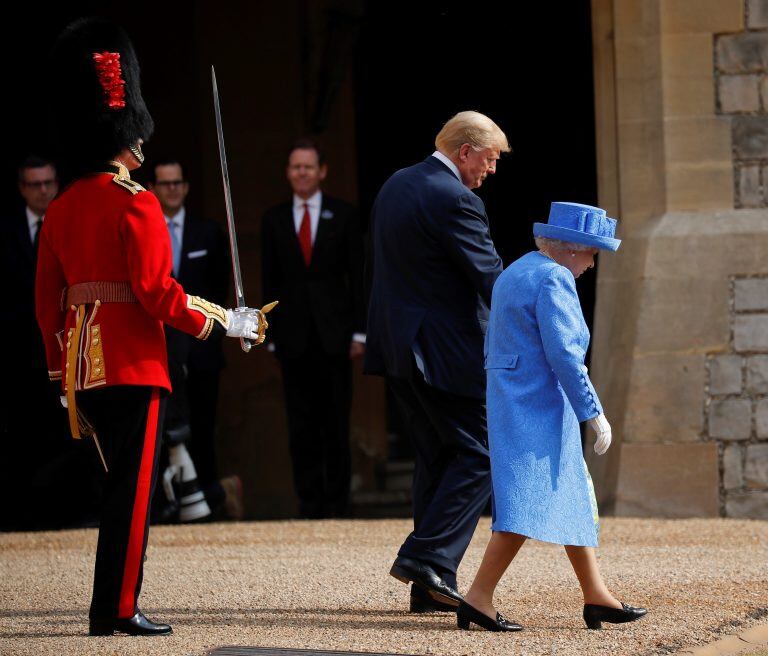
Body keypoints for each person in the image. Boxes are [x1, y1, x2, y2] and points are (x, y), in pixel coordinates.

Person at [36, 18, 267, 637]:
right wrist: (222, 323)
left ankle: (105, 605)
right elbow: (155, 293)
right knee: (133, 498)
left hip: (84, 370)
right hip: (135, 367)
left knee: (114, 492)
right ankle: (115, 609)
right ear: (126, 134)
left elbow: (46, 302)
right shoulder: (135, 202)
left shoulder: (59, 209)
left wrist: (61, 373)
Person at [457, 202, 647, 632]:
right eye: (591, 253)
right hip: (537, 404)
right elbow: (564, 354)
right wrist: (593, 411)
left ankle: (596, 595)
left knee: (573, 494)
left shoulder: (517, 270)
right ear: (571, 249)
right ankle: (478, 598)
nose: (592, 263)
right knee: (527, 501)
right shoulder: (554, 277)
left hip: (516, 398)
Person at [364, 111, 509, 613]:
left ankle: (429, 584)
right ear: (465, 151)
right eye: (488, 160)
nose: (490, 171)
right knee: (482, 452)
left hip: (399, 348)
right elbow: (491, 278)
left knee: (436, 456)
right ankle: (426, 558)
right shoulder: (455, 198)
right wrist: (541, 289)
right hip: (443, 353)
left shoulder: (396, 184)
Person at [261, 139, 365, 518]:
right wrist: (268, 333)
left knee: (335, 422)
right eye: (295, 167)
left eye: (308, 167)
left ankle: (338, 505)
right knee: (300, 424)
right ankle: (309, 504)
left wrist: (359, 332)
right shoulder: (273, 219)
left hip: (335, 336)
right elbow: (268, 280)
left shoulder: (344, 215)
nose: (301, 173)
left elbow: (358, 276)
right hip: (291, 336)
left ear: (322, 171)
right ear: (288, 173)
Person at [147, 159, 242, 521]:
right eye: (164, 183)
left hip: (200, 347)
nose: (171, 188)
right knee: (161, 429)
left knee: (201, 428)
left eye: (177, 182)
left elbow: (219, 290)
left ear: (185, 187)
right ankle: (170, 508)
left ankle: (211, 503)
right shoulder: (146, 228)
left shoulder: (208, 232)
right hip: (158, 348)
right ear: (153, 188)